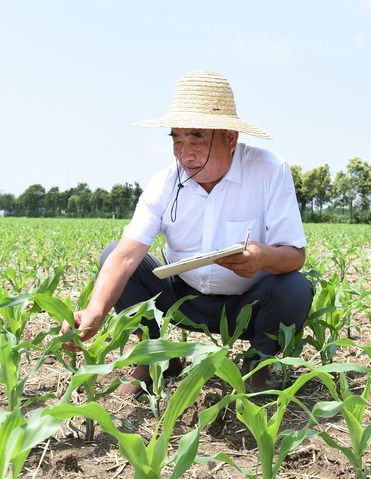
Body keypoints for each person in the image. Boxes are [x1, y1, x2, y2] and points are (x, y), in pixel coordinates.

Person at [62, 69, 313, 394]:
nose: (185, 154)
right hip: (182, 299)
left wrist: (261, 257)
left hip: (249, 305)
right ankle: (152, 358)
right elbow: (125, 256)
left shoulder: (269, 171)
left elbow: (295, 255)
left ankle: (258, 365)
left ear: (230, 138)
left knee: (294, 287)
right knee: (113, 253)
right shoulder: (164, 183)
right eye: (177, 141)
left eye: (196, 140)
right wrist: (95, 311)